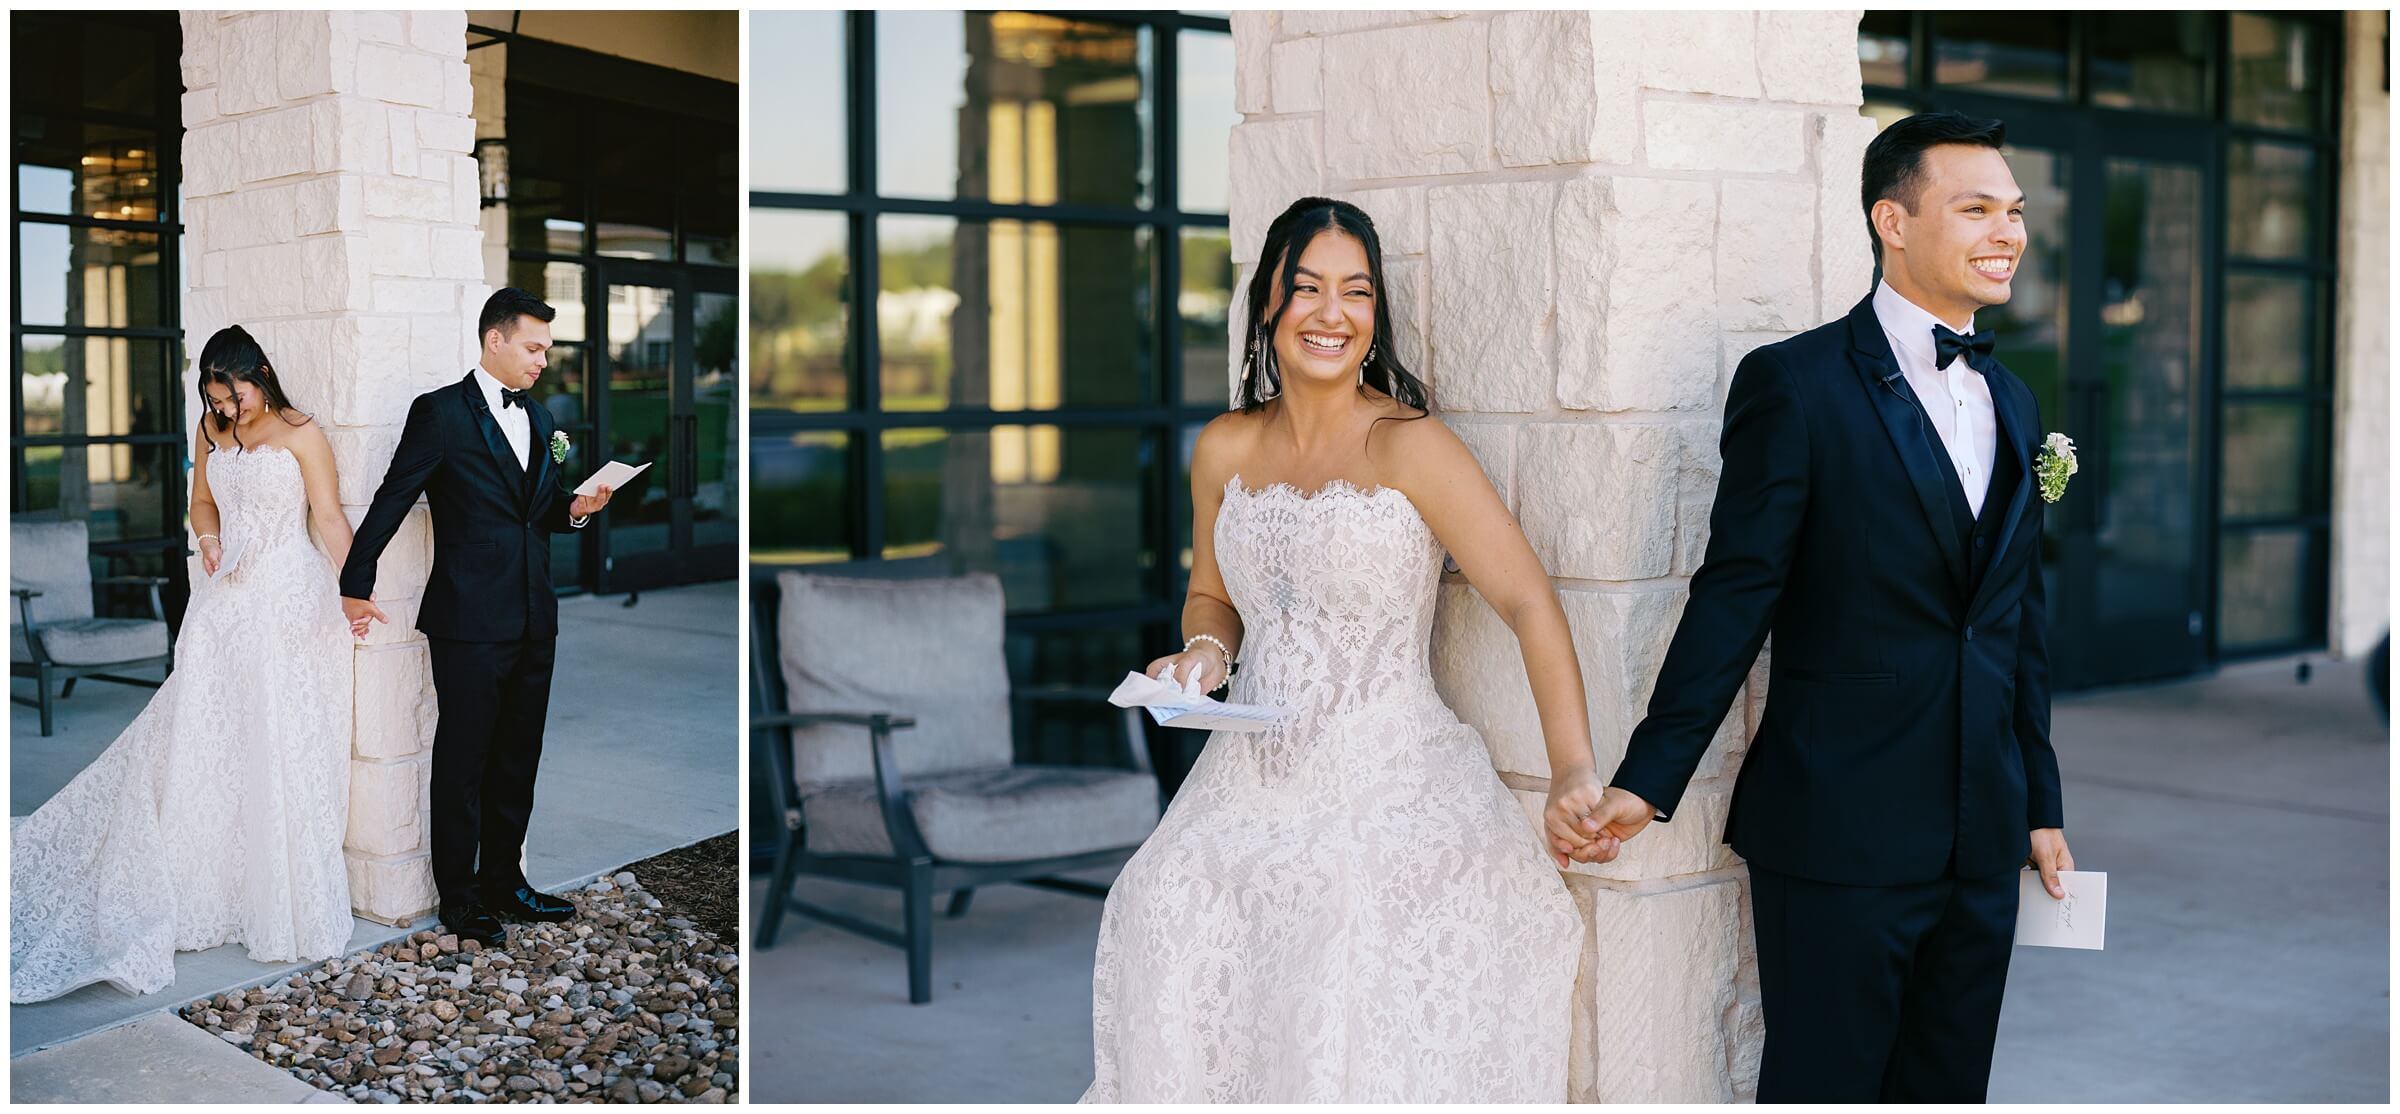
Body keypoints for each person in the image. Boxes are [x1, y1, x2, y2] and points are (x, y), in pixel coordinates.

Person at [1571, 111, 2074, 1101]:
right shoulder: (1795, 386)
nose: (2007, 232)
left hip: (1983, 834)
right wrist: (1650, 772)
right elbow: (1736, 592)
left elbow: (2018, 620)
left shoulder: (2015, 400)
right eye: (1976, 209)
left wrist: (2042, 804)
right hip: (1840, 826)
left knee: (1948, 1087)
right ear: (1893, 219)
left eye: (2013, 212)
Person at [1082, 198, 1594, 1103]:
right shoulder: (1225, 446)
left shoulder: (1411, 446)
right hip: (1249, 775)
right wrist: (1200, 658)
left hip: (1385, 770)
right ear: (1268, 306)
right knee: (1158, 898)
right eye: (1307, 288)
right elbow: (1212, 594)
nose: (1333, 313)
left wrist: (1571, 772)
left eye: (1356, 292)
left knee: (1327, 924)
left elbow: (1526, 600)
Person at [12, 326, 356, 1001]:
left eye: (237, 395)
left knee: (276, 740)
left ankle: (273, 895)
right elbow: (201, 501)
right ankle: (201, 884)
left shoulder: (301, 433)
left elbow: (331, 518)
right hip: (223, 600)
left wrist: (357, 593)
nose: (229, 410)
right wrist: (208, 540)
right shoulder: (209, 428)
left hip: (285, 600)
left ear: (261, 372)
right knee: (203, 741)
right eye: (217, 399)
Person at [341, 288, 614, 948]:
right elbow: (395, 496)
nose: (543, 360)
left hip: (533, 613)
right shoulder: (439, 413)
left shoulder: (544, 415)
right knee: (464, 760)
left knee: (519, 755)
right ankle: (459, 897)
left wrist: (580, 507)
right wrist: (355, 580)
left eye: (548, 349)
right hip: (467, 618)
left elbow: (541, 509)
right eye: (533, 347)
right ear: (495, 340)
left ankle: (505, 882)